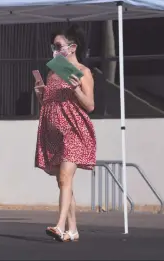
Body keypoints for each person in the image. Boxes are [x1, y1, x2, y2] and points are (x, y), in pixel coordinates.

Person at [34, 24, 96, 242]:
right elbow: (47, 103)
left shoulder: (83, 72)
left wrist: (76, 88)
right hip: (53, 131)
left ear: (72, 47)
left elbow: (90, 105)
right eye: (54, 45)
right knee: (63, 182)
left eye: (59, 45)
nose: (55, 49)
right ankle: (73, 229)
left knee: (64, 176)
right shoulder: (53, 71)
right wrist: (40, 94)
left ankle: (60, 227)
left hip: (74, 129)